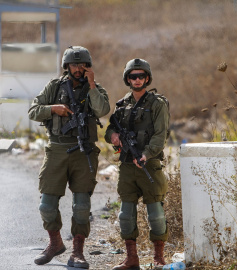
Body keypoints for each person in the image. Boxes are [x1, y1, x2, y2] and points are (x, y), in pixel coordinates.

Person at [28, 46, 110, 269]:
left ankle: (77, 252)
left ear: (88, 67)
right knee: (46, 205)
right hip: (56, 150)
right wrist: (53, 109)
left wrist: (92, 85)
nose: (78, 69)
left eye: (83, 65)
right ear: (66, 66)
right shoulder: (54, 87)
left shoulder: (96, 89)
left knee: (82, 205)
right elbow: (33, 110)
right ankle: (55, 243)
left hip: (84, 151)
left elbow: (103, 109)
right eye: (74, 65)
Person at [105, 58, 169, 270]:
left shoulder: (157, 104)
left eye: (141, 76)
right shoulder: (122, 105)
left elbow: (160, 135)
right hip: (127, 166)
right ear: (128, 79)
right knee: (125, 214)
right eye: (133, 76)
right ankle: (131, 259)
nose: (137, 79)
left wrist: (146, 153)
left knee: (156, 214)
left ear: (147, 78)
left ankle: (158, 258)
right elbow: (108, 130)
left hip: (149, 165)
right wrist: (113, 135)